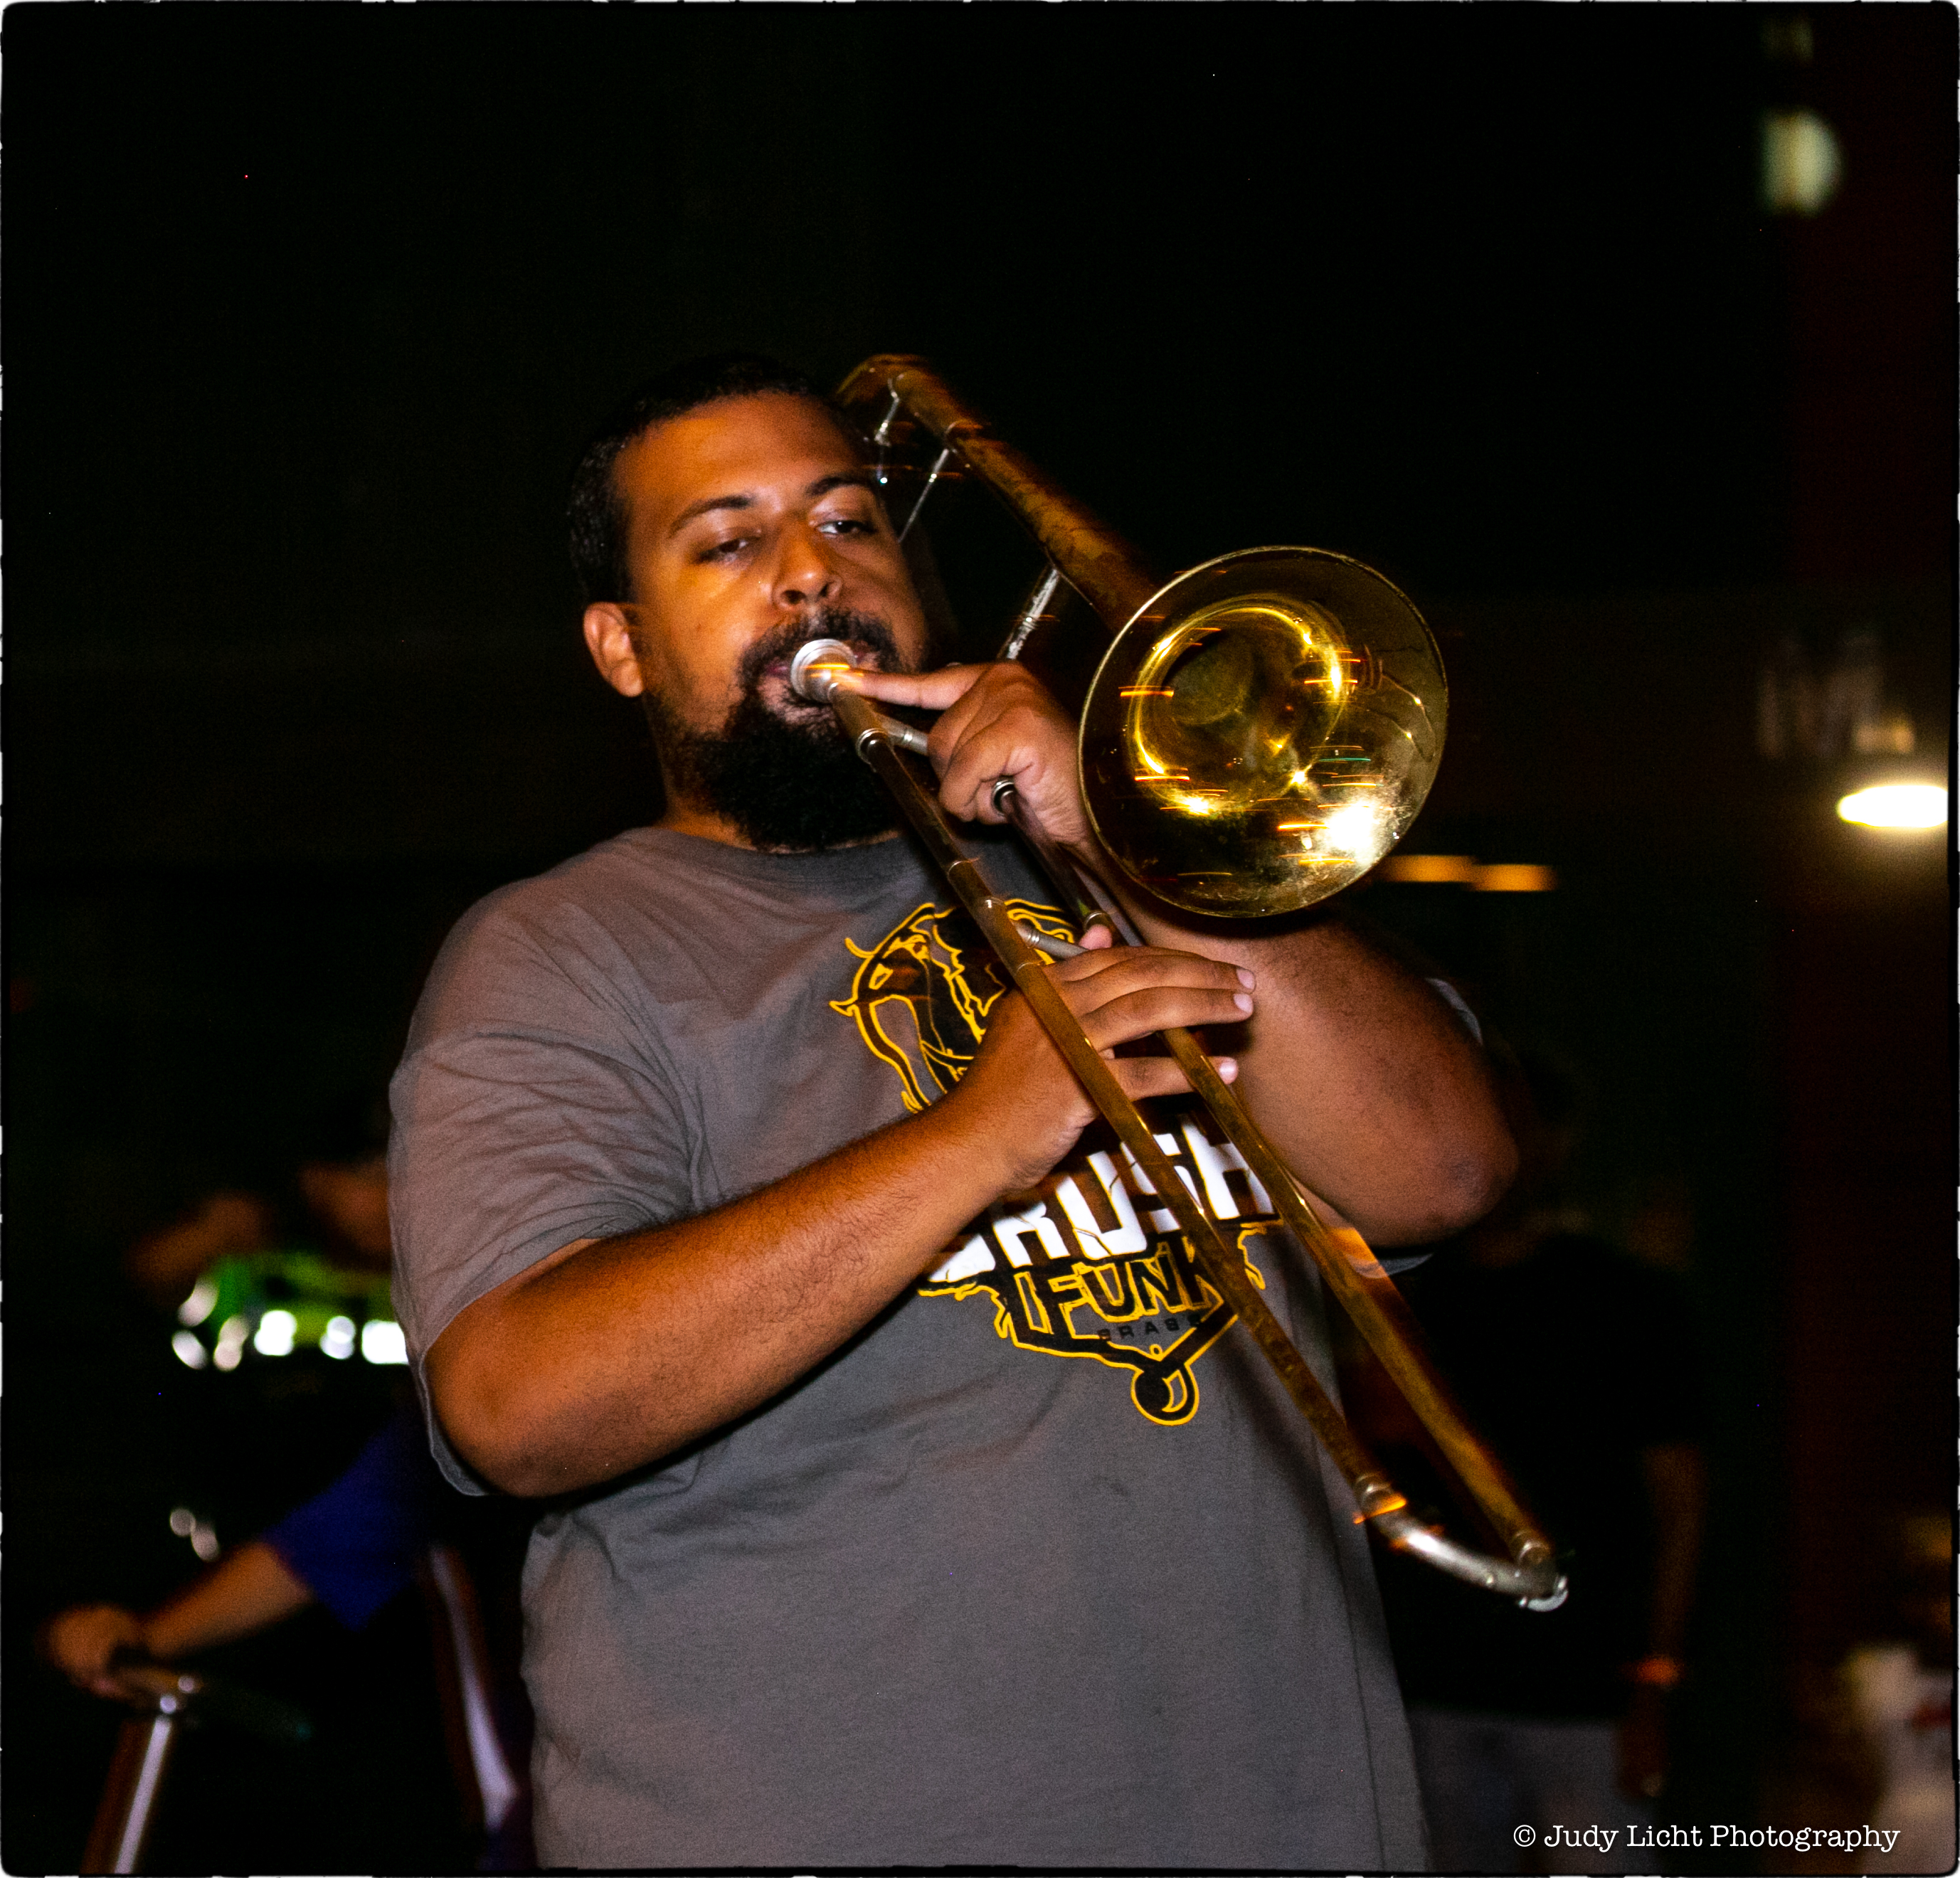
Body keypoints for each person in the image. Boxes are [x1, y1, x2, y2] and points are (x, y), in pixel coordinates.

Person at [388, 352, 1518, 1867]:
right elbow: (515, 1408)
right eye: (727, 542)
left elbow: (1445, 1170)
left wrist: (1113, 835)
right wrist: (978, 1139)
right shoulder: (558, 952)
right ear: (623, 647)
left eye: (849, 520)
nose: (811, 571)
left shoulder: (1124, 859)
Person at [1352, 1046, 1707, 1874]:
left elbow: (1680, 1502)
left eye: (1516, 1125)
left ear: (1556, 1143)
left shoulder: (1627, 1300)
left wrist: (1653, 1679)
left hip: (1583, 1693)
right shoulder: (1405, 1299)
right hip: (1434, 1686)